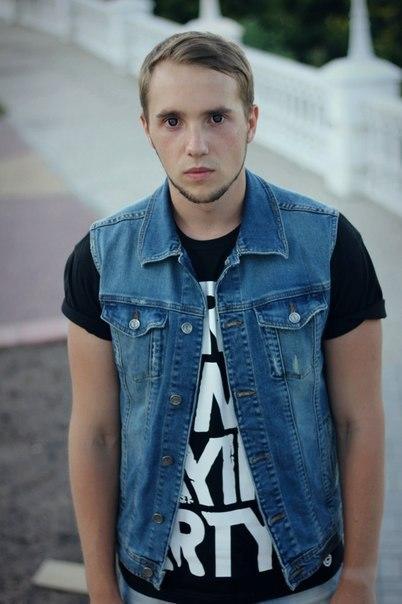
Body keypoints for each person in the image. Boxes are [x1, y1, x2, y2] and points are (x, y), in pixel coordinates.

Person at [62, 31, 386, 604]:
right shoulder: (101, 259)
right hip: (156, 584)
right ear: (146, 129)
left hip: (301, 581)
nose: (196, 145)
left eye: (217, 117)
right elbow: (96, 434)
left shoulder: (329, 245)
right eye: (172, 121)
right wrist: (100, 587)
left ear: (251, 121)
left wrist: (359, 578)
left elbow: (358, 423)